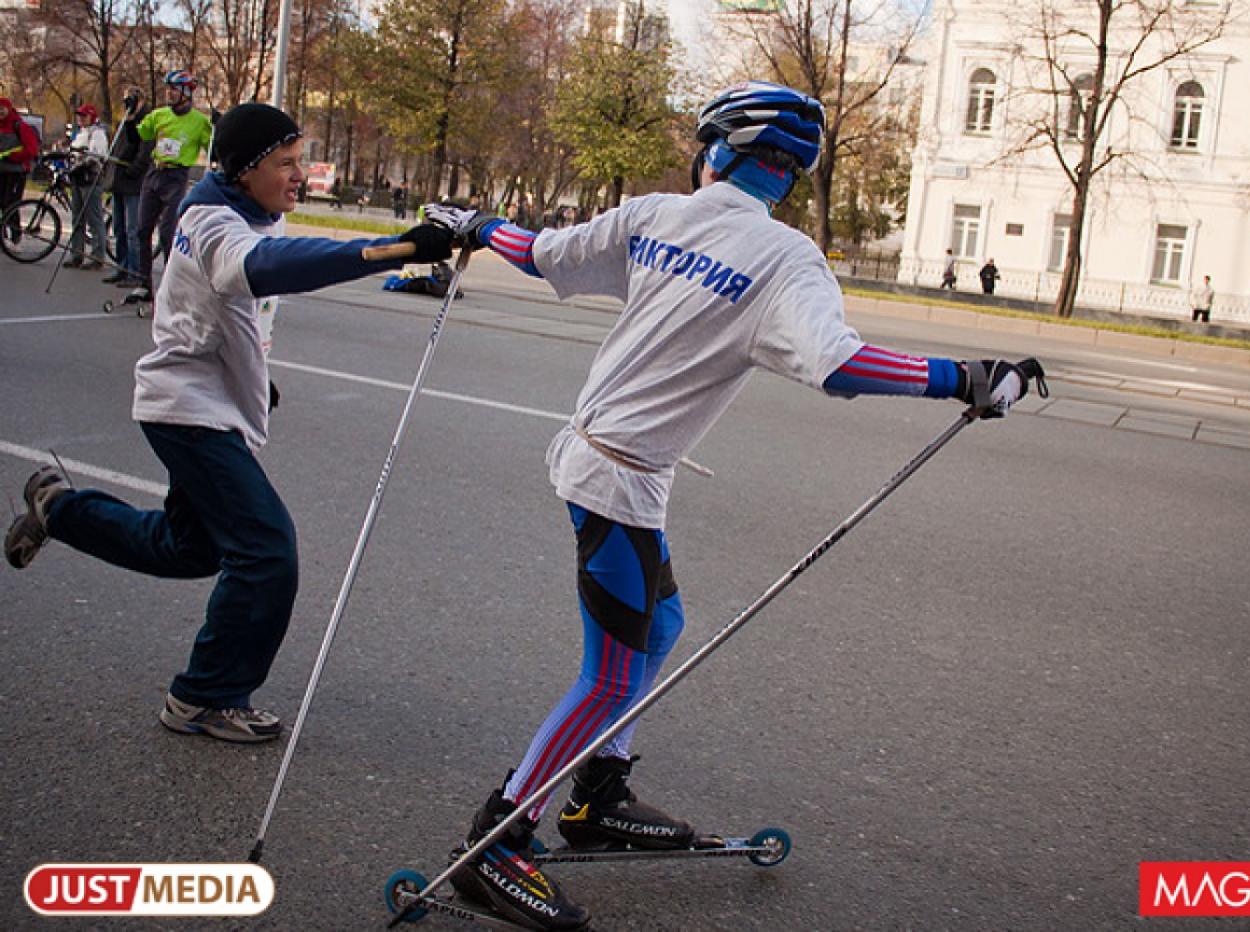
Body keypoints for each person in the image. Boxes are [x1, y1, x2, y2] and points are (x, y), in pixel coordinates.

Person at [419, 80, 1041, 931]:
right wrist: (959, 377)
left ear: (714, 150)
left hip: (613, 467)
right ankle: (496, 844)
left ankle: (597, 797)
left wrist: (475, 226)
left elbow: (538, 251)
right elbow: (840, 365)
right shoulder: (787, 259)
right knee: (608, 676)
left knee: (659, 631)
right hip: (616, 477)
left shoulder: (656, 215)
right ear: (786, 174)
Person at [4, 102, 456, 743]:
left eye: (302, 160)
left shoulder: (244, 211)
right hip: (188, 414)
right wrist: (397, 249)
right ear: (245, 170)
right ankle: (203, 695)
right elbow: (260, 270)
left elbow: (219, 308)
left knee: (187, 549)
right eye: (285, 163)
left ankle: (58, 510)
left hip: (205, 405)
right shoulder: (217, 222)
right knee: (267, 553)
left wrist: (251, 373)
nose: (299, 175)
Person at [130, 70, 213, 300]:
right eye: (168, 89)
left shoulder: (199, 122)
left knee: (168, 233)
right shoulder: (159, 115)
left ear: (186, 93)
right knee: (142, 229)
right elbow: (138, 133)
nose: (169, 93)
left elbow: (213, 149)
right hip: (155, 172)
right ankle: (143, 282)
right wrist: (133, 114)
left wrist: (219, 126)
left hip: (176, 177)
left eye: (174, 89)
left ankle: (172, 285)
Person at [104, 88, 153, 284]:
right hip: (119, 180)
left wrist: (134, 170)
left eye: (130, 100)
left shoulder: (145, 120)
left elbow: (145, 150)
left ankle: (135, 271)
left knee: (133, 229)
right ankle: (122, 267)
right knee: (119, 228)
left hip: (133, 182)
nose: (127, 104)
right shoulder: (126, 119)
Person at [62, 103, 109, 269]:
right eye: (79, 116)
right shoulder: (81, 133)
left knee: (94, 220)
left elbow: (97, 155)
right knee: (77, 219)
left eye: (84, 116)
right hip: (77, 179)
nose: (81, 119)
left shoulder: (98, 133)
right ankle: (77, 254)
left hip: (91, 179)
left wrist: (84, 159)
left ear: (92, 117)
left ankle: (97, 257)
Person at [0, 97, 42, 241]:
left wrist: (12, 156)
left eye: (2, 108)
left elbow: (31, 150)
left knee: (10, 204)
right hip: (2, 171)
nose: (0, 111)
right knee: (2, 204)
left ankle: (16, 234)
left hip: (16, 172)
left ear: (8, 108)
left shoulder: (20, 126)